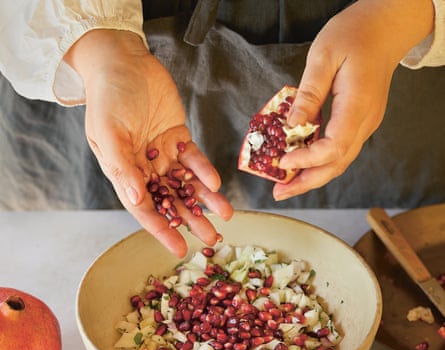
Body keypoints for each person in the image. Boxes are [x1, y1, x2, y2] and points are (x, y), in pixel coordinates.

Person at [0, 1, 444, 257]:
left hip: (381, 53)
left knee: (377, 263)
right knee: (81, 251)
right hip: (82, 40)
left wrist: (404, 12)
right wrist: (99, 50)